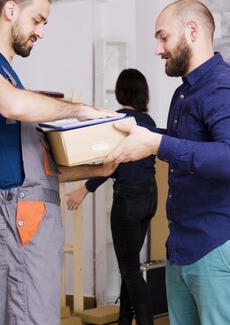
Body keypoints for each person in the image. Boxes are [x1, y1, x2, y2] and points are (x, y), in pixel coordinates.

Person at [0, 0, 118, 324]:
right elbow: (12, 105)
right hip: (20, 218)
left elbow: (41, 171)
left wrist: (98, 169)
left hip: (35, 216)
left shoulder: (10, 77)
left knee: (35, 315)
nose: (41, 31)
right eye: (38, 20)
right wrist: (78, 109)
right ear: (10, 10)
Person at [104, 0, 230, 325]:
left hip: (222, 246)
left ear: (192, 31)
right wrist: (141, 130)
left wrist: (156, 143)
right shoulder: (187, 92)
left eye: (163, 37)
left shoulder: (227, 88)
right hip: (185, 246)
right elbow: (190, 143)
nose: (157, 49)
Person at [66, 68, 158, 325]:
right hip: (150, 198)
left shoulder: (118, 121)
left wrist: (84, 188)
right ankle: (123, 319)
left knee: (129, 269)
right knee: (129, 267)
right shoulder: (147, 122)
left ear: (121, 92)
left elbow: (110, 163)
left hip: (128, 201)